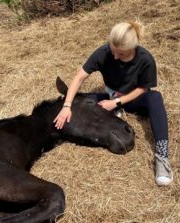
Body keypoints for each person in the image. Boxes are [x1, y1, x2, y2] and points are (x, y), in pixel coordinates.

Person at [53, 20, 173, 186]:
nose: (115, 56)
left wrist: (116, 103)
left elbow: (143, 89)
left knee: (155, 97)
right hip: (110, 95)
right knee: (81, 101)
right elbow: (79, 76)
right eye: (113, 51)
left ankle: (162, 157)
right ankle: (70, 97)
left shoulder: (146, 59)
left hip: (132, 98)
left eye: (121, 54)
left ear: (132, 49)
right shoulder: (103, 52)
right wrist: (67, 106)